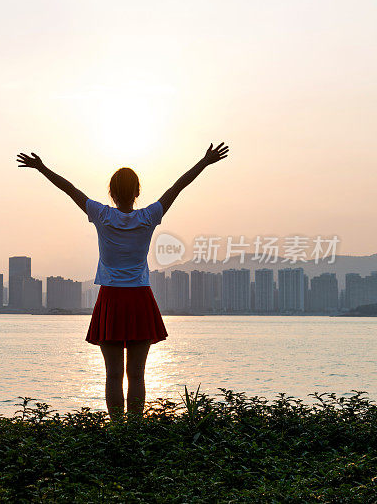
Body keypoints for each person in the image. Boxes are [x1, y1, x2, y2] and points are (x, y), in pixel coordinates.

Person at [16, 143, 230, 415]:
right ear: (137, 192)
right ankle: (135, 431)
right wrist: (204, 161)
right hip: (140, 298)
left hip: (111, 299)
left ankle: (118, 432)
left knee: (113, 375)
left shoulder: (102, 215)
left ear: (111, 193)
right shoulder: (149, 215)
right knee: (137, 375)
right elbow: (178, 187)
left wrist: (42, 167)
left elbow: (69, 189)